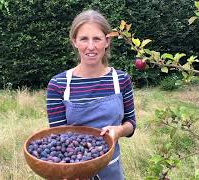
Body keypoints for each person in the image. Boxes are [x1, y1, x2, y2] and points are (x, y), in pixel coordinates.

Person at [46, 9, 136, 180]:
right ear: (74, 42)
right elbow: (58, 136)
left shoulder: (121, 80)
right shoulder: (58, 84)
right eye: (84, 39)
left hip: (111, 169)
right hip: (73, 171)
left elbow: (131, 124)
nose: (91, 46)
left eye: (97, 38)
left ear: (107, 41)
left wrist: (119, 131)